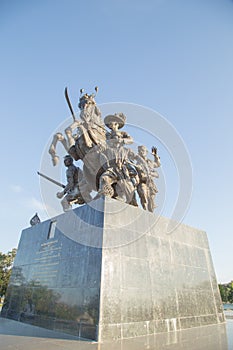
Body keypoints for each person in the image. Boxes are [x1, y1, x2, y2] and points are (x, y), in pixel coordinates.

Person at [97, 113, 137, 205]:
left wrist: (122, 140)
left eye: (112, 121)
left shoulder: (123, 133)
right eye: (109, 122)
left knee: (128, 191)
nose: (110, 123)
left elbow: (131, 140)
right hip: (112, 165)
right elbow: (105, 145)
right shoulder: (107, 135)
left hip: (121, 164)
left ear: (117, 123)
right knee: (103, 179)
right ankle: (105, 199)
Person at [135, 145, 161, 212]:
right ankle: (144, 211)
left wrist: (155, 156)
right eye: (139, 151)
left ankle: (150, 214)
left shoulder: (150, 162)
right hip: (142, 183)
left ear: (146, 152)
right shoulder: (138, 163)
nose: (141, 152)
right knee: (143, 194)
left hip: (151, 185)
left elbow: (158, 164)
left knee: (151, 203)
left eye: (143, 150)